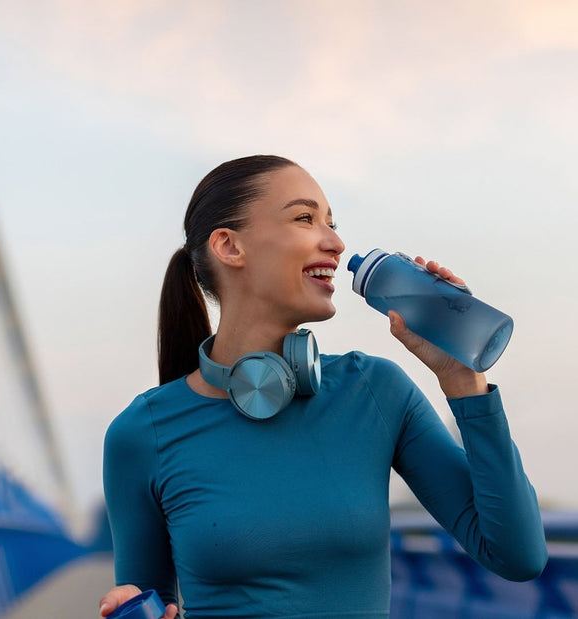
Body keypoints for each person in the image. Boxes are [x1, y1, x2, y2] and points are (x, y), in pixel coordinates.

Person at [99, 155, 547, 618]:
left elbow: (518, 556)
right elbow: (146, 600)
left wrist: (463, 378)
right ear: (230, 247)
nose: (335, 242)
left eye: (331, 223)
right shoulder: (141, 432)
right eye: (305, 218)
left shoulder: (374, 390)